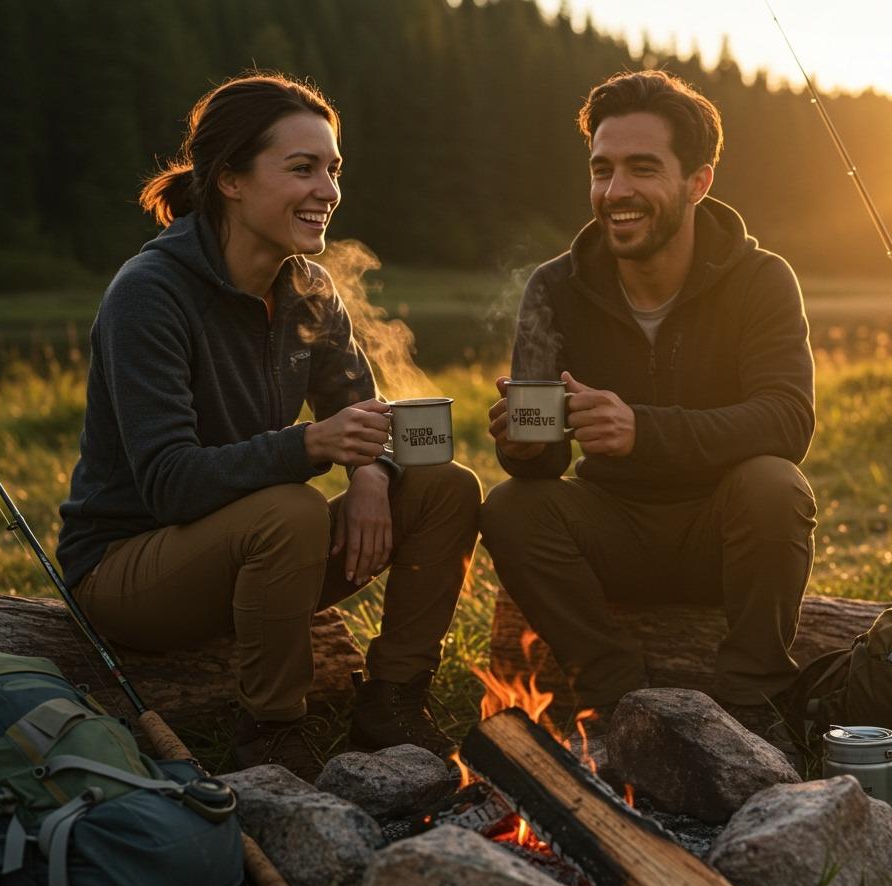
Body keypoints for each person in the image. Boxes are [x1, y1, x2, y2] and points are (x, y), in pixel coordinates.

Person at [57, 73, 481, 780]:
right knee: (289, 508)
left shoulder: (308, 287)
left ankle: (393, 701)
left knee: (444, 486)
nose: (328, 191)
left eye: (333, 170)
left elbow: (357, 401)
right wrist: (312, 444)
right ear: (230, 180)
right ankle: (274, 736)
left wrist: (372, 472)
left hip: (256, 553)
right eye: (302, 169)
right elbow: (168, 485)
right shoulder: (149, 296)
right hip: (130, 568)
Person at [481, 70, 817, 739]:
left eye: (642, 168)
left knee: (775, 484)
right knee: (511, 507)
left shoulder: (762, 279)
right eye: (602, 169)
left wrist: (643, 430)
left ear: (699, 181)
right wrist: (525, 446)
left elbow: (787, 419)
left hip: (724, 532)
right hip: (613, 529)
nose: (616, 192)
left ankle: (754, 702)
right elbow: (542, 470)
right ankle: (609, 691)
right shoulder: (555, 287)